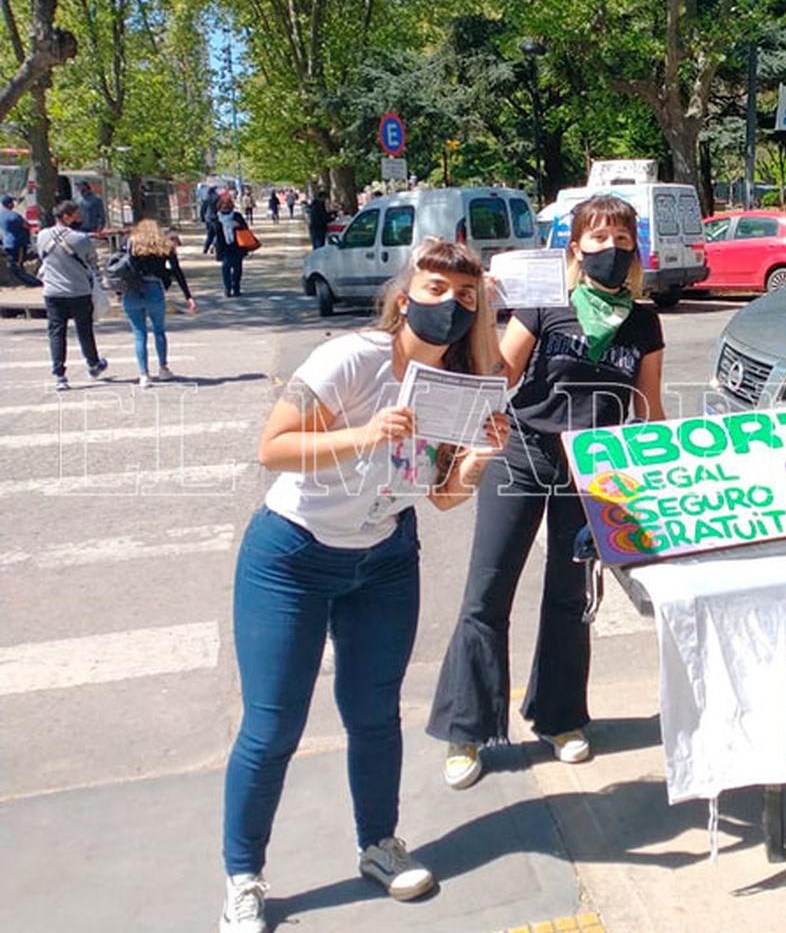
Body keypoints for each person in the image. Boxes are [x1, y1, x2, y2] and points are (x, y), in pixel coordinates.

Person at [218, 238, 509, 933]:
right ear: (405, 295)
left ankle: (378, 843)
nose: (448, 305)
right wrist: (367, 434)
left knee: (375, 714)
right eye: (434, 289)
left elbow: (437, 497)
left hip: (383, 557)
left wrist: (476, 463)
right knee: (272, 727)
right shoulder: (352, 357)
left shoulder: (461, 384)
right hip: (291, 554)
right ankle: (243, 876)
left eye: (465, 298)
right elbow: (274, 447)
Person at [427, 194, 665, 788]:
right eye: (598, 238)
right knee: (487, 592)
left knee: (569, 597)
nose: (610, 249)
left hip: (594, 474)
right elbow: (499, 375)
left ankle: (560, 718)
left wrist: (658, 473)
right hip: (523, 457)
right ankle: (466, 731)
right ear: (576, 247)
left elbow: (651, 408)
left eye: (622, 239)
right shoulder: (544, 305)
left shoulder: (644, 321)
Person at [37, 201, 108, 391]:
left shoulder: (42, 235)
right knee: (84, 330)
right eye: (76, 214)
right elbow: (92, 261)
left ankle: (59, 374)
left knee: (56, 332)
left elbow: (42, 257)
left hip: (52, 291)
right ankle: (93, 364)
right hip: (79, 291)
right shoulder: (81, 239)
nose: (80, 217)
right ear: (67, 217)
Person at [119, 218, 196, 388]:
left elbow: (121, 268)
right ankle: (163, 368)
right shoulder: (164, 245)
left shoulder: (129, 243)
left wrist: (119, 291)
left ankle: (144, 374)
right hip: (154, 289)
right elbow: (177, 271)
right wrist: (188, 296)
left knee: (139, 334)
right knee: (159, 331)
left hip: (132, 291)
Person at [205, 191, 249, 297]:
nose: (225, 208)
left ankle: (236, 287)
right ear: (219, 207)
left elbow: (246, 230)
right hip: (223, 247)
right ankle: (227, 288)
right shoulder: (216, 219)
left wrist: (238, 226)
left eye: (228, 206)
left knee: (237, 269)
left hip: (237, 246)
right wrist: (206, 246)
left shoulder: (237, 216)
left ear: (231, 206)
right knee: (226, 267)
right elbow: (211, 234)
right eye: (223, 206)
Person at [0, 194, 38, 286]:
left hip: (7, 242)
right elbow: (26, 225)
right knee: (19, 265)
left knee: (13, 264)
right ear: (9, 204)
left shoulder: (1, 215)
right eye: (12, 202)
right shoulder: (14, 215)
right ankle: (27, 282)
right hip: (18, 243)